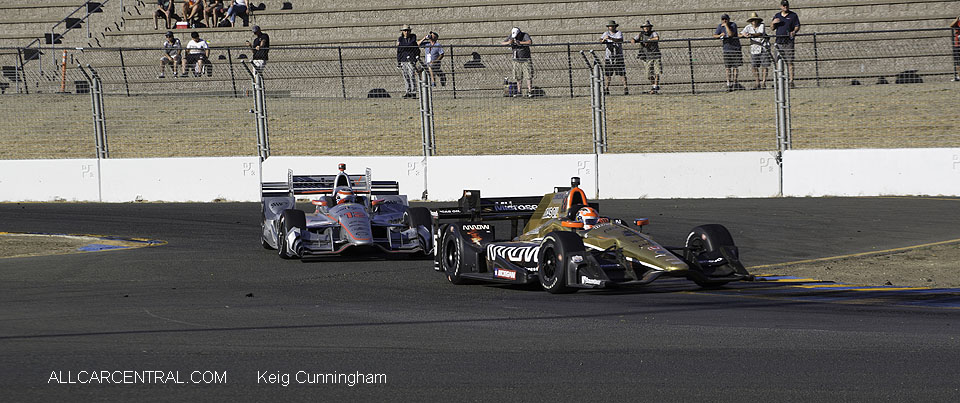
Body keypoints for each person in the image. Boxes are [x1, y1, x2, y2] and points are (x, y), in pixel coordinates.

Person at [771, 0, 800, 87]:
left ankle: (791, 81)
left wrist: (794, 31)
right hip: (778, 42)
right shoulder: (777, 16)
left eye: (786, 5)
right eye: (783, 6)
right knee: (778, 62)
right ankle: (779, 81)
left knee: (790, 62)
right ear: (781, 6)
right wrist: (773, 22)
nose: (785, 7)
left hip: (788, 42)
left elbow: (797, 26)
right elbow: (772, 28)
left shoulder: (793, 15)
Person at [740, 12, 771, 89]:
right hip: (754, 48)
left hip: (764, 47)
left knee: (764, 66)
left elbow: (760, 33)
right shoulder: (748, 27)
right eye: (752, 20)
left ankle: (763, 82)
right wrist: (744, 35)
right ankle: (757, 82)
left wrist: (750, 35)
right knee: (754, 66)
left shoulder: (761, 25)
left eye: (755, 20)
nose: (754, 21)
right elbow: (740, 34)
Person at [500, 27, 534, 97]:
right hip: (516, 59)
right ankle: (519, 91)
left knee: (528, 76)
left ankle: (530, 91)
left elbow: (529, 42)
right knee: (518, 76)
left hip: (526, 59)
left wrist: (520, 43)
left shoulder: (525, 35)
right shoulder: (511, 36)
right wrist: (509, 42)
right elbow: (502, 43)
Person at [714, 14, 743, 91]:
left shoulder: (733, 25)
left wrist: (726, 26)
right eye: (723, 19)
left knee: (735, 67)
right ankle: (728, 83)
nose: (724, 21)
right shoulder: (720, 26)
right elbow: (714, 35)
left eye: (725, 19)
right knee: (727, 68)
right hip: (726, 49)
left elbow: (730, 34)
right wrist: (720, 35)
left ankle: (735, 82)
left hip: (735, 49)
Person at [632, 20, 661, 94]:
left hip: (655, 55)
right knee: (648, 74)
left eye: (647, 27)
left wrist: (649, 40)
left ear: (650, 27)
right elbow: (634, 39)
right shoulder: (641, 34)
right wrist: (633, 40)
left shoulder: (653, 33)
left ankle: (655, 87)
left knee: (657, 72)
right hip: (646, 56)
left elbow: (657, 38)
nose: (646, 28)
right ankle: (654, 86)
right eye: (644, 27)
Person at [600, 20, 628, 95]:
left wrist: (611, 38)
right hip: (609, 56)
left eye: (612, 26)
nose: (611, 27)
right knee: (608, 73)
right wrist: (603, 40)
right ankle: (606, 88)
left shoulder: (618, 33)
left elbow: (620, 40)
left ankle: (625, 87)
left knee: (622, 73)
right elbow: (601, 40)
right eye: (610, 26)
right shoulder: (606, 33)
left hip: (618, 56)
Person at [396, 24, 420, 98]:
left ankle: (413, 92)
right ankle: (408, 91)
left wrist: (402, 45)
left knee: (411, 75)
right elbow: (399, 51)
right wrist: (399, 61)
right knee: (405, 76)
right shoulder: (400, 39)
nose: (406, 32)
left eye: (408, 30)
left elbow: (410, 44)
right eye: (405, 30)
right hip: (403, 59)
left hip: (411, 59)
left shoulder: (413, 37)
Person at [952, 15, 960, 81]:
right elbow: (951, 25)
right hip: (957, 45)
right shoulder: (957, 22)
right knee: (957, 62)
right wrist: (956, 19)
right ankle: (959, 76)